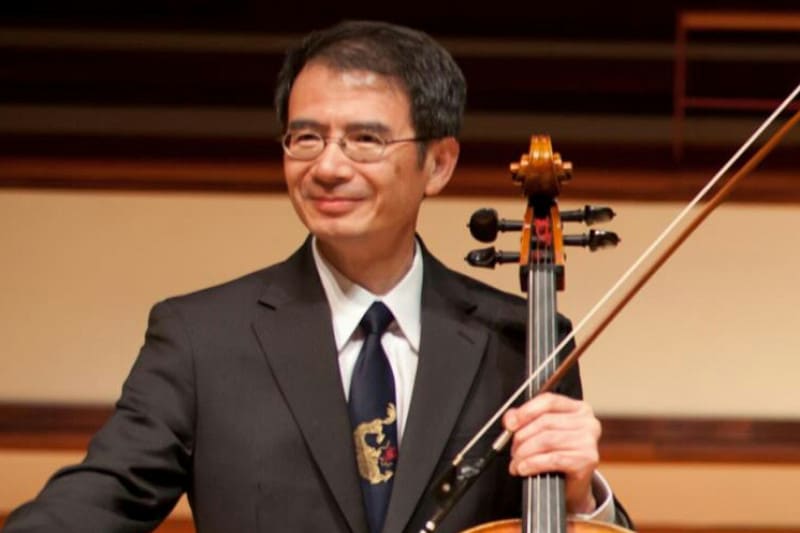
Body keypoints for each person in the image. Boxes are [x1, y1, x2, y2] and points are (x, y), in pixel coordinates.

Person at [3, 20, 633, 533]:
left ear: (438, 164)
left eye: (365, 139)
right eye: (306, 137)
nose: (328, 166)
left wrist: (582, 497)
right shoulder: (201, 338)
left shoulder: (521, 339)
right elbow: (99, 498)